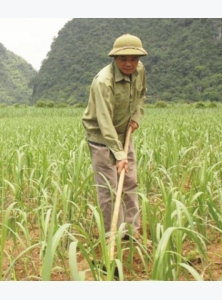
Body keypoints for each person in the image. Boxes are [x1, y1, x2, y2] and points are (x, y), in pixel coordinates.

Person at [82, 33, 148, 240]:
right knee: (109, 190)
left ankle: (132, 231)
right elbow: (104, 121)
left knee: (129, 182)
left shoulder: (140, 71)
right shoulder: (103, 82)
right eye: (123, 59)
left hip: (123, 133)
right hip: (102, 139)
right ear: (114, 59)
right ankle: (113, 236)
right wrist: (119, 154)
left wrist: (136, 116)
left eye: (134, 58)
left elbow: (141, 95)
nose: (129, 63)